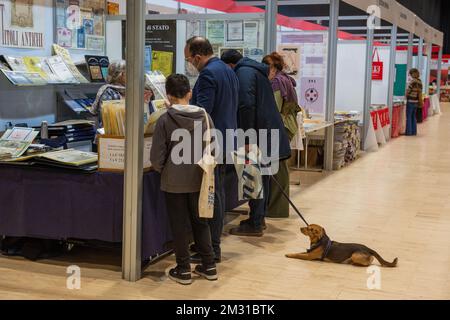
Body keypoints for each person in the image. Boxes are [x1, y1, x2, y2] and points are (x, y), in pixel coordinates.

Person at [150, 74, 217, 285]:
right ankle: (209, 266)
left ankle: (183, 269)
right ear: (189, 93)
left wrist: (164, 169)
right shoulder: (205, 116)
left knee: (179, 226)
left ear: (168, 96)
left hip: (174, 180)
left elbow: (156, 157)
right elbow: (213, 147)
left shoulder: (164, 119)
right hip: (200, 178)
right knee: (201, 223)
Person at [221, 49, 291, 236]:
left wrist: (246, 138)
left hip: (256, 135)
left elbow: (246, 106)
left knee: (253, 177)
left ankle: (255, 224)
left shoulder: (243, 74)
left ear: (229, 66)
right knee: (262, 177)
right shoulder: (253, 71)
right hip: (265, 133)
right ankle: (258, 218)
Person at [185, 37, 239, 262]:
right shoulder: (227, 70)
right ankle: (209, 245)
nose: (189, 63)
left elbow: (202, 112)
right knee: (218, 194)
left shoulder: (208, 74)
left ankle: (212, 249)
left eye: (189, 59)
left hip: (212, 144)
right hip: (227, 140)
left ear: (198, 57)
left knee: (211, 196)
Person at [262, 52, 302, 218]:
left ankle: (276, 209)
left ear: (273, 67)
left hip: (281, 127)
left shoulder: (277, 81)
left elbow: (275, 108)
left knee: (278, 169)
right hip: (288, 126)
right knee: (280, 167)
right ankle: (276, 207)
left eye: (266, 66)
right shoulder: (285, 79)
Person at [89, 60, 153, 126]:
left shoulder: (133, 90)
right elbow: (110, 120)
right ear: (121, 75)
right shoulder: (108, 92)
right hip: (111, 134)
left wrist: (145, 103)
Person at [406, 68, 423, 136]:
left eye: (410, 74)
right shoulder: (420, 82)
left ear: (413, 74)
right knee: (413, 116)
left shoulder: (412, 81)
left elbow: (408, 91)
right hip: (416, 101)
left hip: (410, 101)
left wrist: (406, 94)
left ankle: (409, 132)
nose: (410, 75)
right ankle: (414, 132)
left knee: (409, 117)